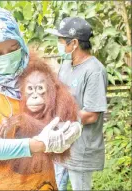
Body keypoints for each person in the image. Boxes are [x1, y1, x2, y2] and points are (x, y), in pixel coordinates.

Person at [0, 8, 82, 190]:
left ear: (21, 44)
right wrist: (36, 145)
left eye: (13, 49)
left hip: (42, 183)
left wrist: (70, 128)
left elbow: (62, 109)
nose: (7, 57)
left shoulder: (34, 72)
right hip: (1, 183)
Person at [47, 17, 108, 190]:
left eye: (60, 40)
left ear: (73, 43)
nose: (58, 44)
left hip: (81, 148)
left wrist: (61, 119)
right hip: (60, 143)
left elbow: (91, 115)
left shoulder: (94, 71)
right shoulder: (66, 65)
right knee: (56, 185)